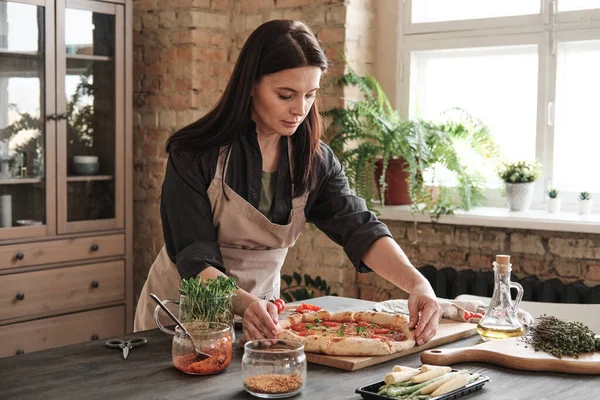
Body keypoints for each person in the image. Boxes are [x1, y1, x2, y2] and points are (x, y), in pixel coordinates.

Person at [134, 20, 442, 346]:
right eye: (285, 95)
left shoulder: (316, 161)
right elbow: (195, 260)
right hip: (179, 322)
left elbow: (360, 229)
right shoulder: (193, 155)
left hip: (264, 324)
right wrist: (246, 305)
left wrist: (417, 284)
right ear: (250, 85)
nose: (299, 109)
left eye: (310, 95)